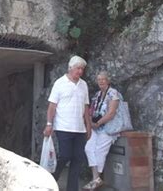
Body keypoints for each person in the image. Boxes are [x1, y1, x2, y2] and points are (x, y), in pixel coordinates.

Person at [43, 55, 92, 191]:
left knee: (78, 158)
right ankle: (52, 179)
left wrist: (88, 126)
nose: (80, 71)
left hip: (80, 129)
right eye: (78, 68)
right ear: (70, 68)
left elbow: (86, 107)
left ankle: (72, 188)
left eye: (82, 69)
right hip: (63, 127)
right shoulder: (59, 83)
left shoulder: (84, 85)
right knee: (65, 155)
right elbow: (52, 106)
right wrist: (49, 124)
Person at [82, 71, 120, 190]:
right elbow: (92, 110)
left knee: (99, 152)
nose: (101, 81)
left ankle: (95, 179)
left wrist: (98, 123)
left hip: (108, 128)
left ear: (108, 80)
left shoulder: (113, 93)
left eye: (103, 79)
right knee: (88, 147)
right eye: (99, 80)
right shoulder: (98, 94)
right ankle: (96, 179)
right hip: (95, 126)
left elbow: (111, 113)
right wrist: (90, 122)